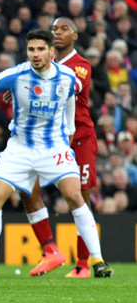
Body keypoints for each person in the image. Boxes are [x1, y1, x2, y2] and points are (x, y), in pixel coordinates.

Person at [0, 29, 113, 278]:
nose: (35, 54)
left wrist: (69, 129)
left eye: (39, 49)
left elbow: (71, 99)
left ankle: (98, 261)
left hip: (54, 147)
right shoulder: (16, 75)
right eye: (30, 50)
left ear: (51, 52)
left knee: (74, 196)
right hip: (20, 148)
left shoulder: (68, 77)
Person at [18, 18, 108, 278]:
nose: (57, 33)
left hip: (79, 139)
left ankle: (85, 263)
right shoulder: (41, 64)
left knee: (80, 198)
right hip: (50, 140)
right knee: (28, 189)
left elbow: (70, 86)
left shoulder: (79, 66)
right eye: (54, 29)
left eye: (63, 29)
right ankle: (50, 250)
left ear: (75, 36)